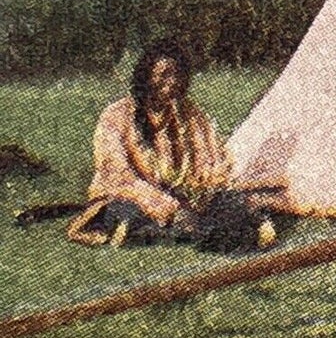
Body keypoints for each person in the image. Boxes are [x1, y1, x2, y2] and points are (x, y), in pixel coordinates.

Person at [67, 40, 279, 251]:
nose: (172, 81)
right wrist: (164, 204)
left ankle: (224, 227)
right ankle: (195, 231)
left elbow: (211, 158)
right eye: (165, 74)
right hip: (135, 196)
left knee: (228, 202)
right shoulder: (117, 115)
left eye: (178, 75)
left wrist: (205, 187)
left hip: (184, 197)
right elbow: (119, 174)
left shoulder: (189, 114)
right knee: (128, 212)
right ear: (147, 77)